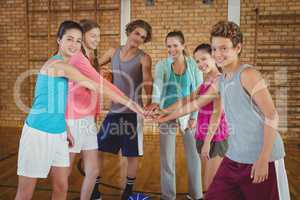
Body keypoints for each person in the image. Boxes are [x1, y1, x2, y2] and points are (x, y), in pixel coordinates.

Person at [157, 21, 290, 200]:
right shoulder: (221, 81)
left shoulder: (248, 74)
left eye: (224, 48)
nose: (218, 54)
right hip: (235, 157)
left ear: (238, 48)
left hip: (263, 157)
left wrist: (264, 158)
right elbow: (194, 103)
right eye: (214, 49)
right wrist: (164, 116)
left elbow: (272, 115)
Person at [15, 20, 144, 200]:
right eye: (69, 39)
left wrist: (64, 127)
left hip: (59, 132)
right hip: (38, 132)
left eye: (77, 40)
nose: (74, 45)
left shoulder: (69, 63)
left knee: (61, 187)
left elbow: (58, 103)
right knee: (25, 193)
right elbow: (97, 85)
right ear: (59, 40)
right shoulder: (59, 66)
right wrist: (133, 105)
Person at [66, 19, 125, 200]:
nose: (97, 39)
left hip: (88, 119)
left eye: (98, 36)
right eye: (93, 35)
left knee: (93, 170)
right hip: (74, 119)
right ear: (82, 36)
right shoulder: (78, 58)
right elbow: (97, 86)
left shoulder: (92, 58)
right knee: (64, 172)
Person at [94, 19, 153, 200]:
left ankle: (128, 189)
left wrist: (149, 103)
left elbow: (148, 82)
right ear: (129, 31)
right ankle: (95, 186)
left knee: (131, 154)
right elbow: (94, 66)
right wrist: (105, 74)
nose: (138, 38)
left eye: (143, 37)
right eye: (136, 33)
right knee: (98, 149)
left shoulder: (144, 57)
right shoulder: (113, 51)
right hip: (114, 111)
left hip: (133, 113)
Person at [148, 30, 203, 200]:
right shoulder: (162, 65)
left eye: (175, 45)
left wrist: (194, 116)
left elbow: (199, 92)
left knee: (194, 157)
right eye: (169, 46)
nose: (172, 49)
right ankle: (168, 196)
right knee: (167, 158)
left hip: (189, 113)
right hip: (167, 114)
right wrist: (155, 103)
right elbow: (158, 84)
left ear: (183, 45)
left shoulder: (193, 65)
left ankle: (196, 194)